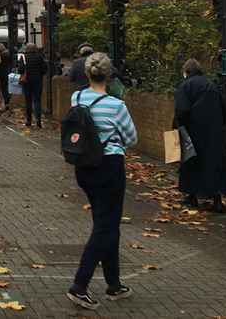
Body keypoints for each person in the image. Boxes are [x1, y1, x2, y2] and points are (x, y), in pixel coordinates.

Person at [67, 52, 138, 311]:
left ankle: (114, 283)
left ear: (87, 74)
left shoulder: (76, 98)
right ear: (108, 76)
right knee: (106, 227)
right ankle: (79, 285)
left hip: (83, 167)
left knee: (106, 223)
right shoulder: (116, 105)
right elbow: (131, 138)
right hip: (109, 167)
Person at [173, 59, 226, 211]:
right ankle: (216, 198)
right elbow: (224, 109)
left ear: (186, 72)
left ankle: (191, 197)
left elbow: (182, 110)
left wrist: (179, 126)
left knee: (191, 163)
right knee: (213, 164)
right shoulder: (211, 85)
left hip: (193, 131)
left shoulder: (185, 86)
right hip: (213, 131)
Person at [18, 43, 46, 127]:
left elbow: (20, 70)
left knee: (28, 101)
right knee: (37, 100)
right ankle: (38, 121)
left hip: (27, 82)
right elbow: (44, 69)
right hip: (37, 81)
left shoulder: (23, 57)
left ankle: (29, 121)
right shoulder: (39, 57)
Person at [0, 43, 12, 111]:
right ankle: (7, 102)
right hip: (8, 72)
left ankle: (5, 102)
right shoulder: (8, 53)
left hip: (1, 73)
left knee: (3, 88)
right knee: (7, 88)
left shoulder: (0, 55)